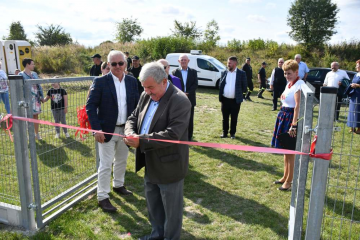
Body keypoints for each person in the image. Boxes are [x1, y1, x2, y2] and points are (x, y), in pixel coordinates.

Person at [124, 62, 191, 240]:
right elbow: (133, 116)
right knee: (154, 206)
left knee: (171, 212)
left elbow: (173, 134)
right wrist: (129, 131)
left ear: (164, 81)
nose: (147, 91)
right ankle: (156, 235)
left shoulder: (180, 101)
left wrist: (141, 141)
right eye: (144, 87)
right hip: (149, 162)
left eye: (150, 87)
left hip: (170, 166)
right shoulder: (146, 95)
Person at [86, 50, 140, 212]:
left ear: (126, 64)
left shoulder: (131, 81)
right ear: (108, 65)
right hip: (106, 130)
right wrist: (97, 130)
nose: (117, 66)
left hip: (126, 130)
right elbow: (90, 106)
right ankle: (102, 196)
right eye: (113, 64)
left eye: (120, 63)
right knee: (105, 164)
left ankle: (118, 185)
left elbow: (136, 105)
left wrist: (134, 128)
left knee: (122, 160)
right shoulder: (101, 82)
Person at [271, 59, 305, 191]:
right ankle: (285, 176)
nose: (287, 76)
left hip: (291, 118)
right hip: (283, 116)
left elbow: (297, 106)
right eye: (285, 73)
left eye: (289, 73)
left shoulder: (299, 84)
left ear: (297, 72)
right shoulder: (290, 83)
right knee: (285, 150)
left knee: (290, 152)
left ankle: (289, 182)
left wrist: (294, 124)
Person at [219, 56, 247, 139]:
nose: (228, 64)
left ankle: (232, 133)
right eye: (228, 63)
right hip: (225, 99)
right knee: (225, 118)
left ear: (235, 63)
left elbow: (244, 86)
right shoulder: (224, 72)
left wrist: (239, 94)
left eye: (230, 63)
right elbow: (221, 84)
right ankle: (224, 133)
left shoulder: (241, 73)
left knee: (234, 118)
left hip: (235, 101)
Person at [172, 54, 198, 141]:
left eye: (185, 60)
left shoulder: (193, 72)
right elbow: (173, 85)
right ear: (179, 61)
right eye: (182, 60)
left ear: (188, 61)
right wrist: (182, 93)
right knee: (179, 117)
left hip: (190, 98)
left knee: (190, 117)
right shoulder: (175, 72)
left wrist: (188, 93)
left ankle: (189, 136)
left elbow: (195, 84)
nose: (183, 61)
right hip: (179, 98)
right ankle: (180, 134)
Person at [19, 58, 44, 140]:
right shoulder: (21, 75)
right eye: (32, 64)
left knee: (36, 116)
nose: (34, 65)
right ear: (27, 64)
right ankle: (30, 134)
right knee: (28, 117)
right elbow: (20, 88)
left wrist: (41, 96)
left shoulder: (35, 74)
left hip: (36, 99)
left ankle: (37, 134)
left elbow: (39, 85)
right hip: (27, 99)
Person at [346, 60, 360, 133]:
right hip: (354, 95)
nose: (356, 67)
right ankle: (352, 127)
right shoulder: (356, 74)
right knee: (352, 111)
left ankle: (359, 128)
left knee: (358, 111)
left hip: (359, 95)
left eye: (357, 65)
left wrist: (357, 85)